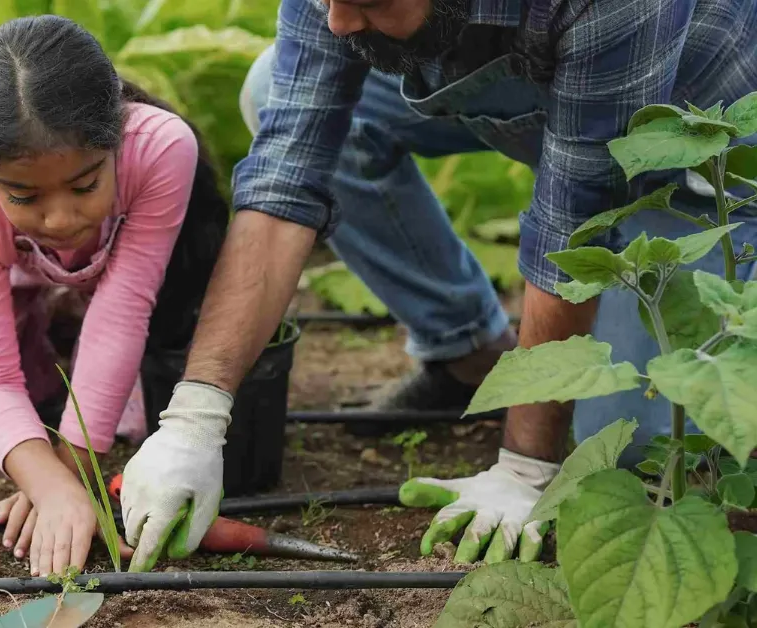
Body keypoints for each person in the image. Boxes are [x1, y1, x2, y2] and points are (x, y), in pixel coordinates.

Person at [120, 0, 757, 572]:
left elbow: (574, 226)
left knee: (641, 451)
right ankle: (470, 354)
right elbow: (286, 176)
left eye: (365, 1)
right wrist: (194, 418)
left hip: (703, 156)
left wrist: (526, 468)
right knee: (272, 92)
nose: (337, 21)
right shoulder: (342, 7)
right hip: (563, 103)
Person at [0, 15, 229, 578]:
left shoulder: (162, 148)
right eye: (23, 194)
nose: (61, 217)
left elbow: (122, 314)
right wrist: (44, 482)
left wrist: (70, 474)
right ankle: (48, 355)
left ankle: (64, 348)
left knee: (145, 425)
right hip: (14, 270)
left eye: (85, 185)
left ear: (114, 136)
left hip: (119, 284)